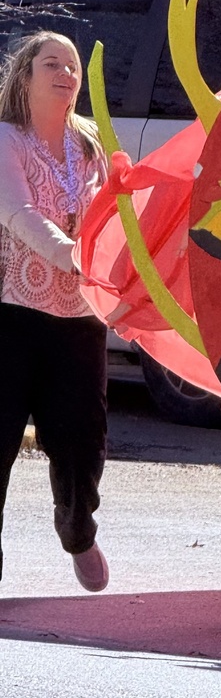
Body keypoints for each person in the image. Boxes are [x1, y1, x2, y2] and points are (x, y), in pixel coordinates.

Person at [0, 31, 110, 593]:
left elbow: (117, 216)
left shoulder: (92, 145)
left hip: (82, 320)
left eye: (72, 65)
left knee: (81, 450)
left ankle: (76, 530)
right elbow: (16, 210)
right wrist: (68, 253)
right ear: (25, 76)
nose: (66, 72)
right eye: (53, 63)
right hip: (11, 319)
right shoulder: (6, 140)